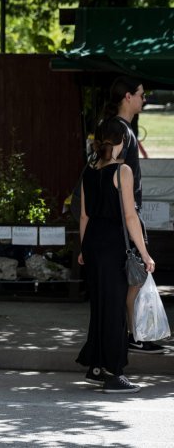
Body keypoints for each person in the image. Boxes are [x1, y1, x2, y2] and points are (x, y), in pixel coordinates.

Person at [76, 118, 155, 393]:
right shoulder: (123, 171)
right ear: (121, 140)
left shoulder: (88, 170)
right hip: (113, 244)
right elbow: (130, 216)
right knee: (115, 310)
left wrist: (83, 249)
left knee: (99, 306)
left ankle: (96, 366)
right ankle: (114, 372)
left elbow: (84, 215)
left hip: (94, 243)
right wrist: (145, 254)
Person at [101, 76, 163, 354]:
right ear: (127, 96)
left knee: (134, 276)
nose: (144, 99)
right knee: (136, 275)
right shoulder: (117, 129)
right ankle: (134, 335)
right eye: (140, 94)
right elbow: (107, 173)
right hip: (123, 217)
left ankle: (134, 334)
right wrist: (125, 213)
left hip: (125, 215)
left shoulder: (123, 128)